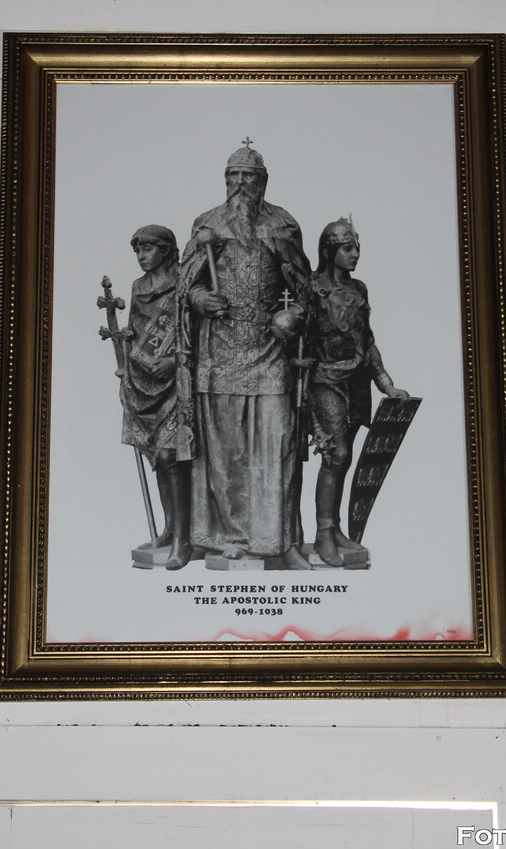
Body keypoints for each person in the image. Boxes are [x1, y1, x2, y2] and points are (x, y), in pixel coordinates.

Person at [178, 142, 313, 569]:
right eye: (233, 176)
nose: (240, 184)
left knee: (278, 443)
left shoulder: (282, 224)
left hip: (270, 350)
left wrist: (292, 316)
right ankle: (228, 538)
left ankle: (282, 540)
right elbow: (185, 285)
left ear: (263, 181)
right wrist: (200, 298)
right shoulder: (207, 224)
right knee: (225, 453)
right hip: (218, 353)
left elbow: (304, 287)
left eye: (248, 176)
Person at [305, 217, 410, 566]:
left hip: (357, 379)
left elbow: (367, 338)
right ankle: (323, 534)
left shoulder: (359, 289)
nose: (355, 254)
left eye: (357, 248)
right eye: (348, 248)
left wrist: (385, 382)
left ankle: (334, 528)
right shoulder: (312, 287)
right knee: (335, 455)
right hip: (325, 379)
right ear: (329, 251)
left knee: (345, 456)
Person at [120, 225, 194, 570]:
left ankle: (184, 539)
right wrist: (127, 360)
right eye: (138, 250)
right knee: (158, 460)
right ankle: (169, 529)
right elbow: (135, 332)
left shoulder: (184, 282)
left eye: (147, 249)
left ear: (165, 250)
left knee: (171, 455)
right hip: (143, 381)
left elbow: (197, 332)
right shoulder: (139, 287)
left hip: (177, 382)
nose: (141, 256)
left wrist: (176, 360)